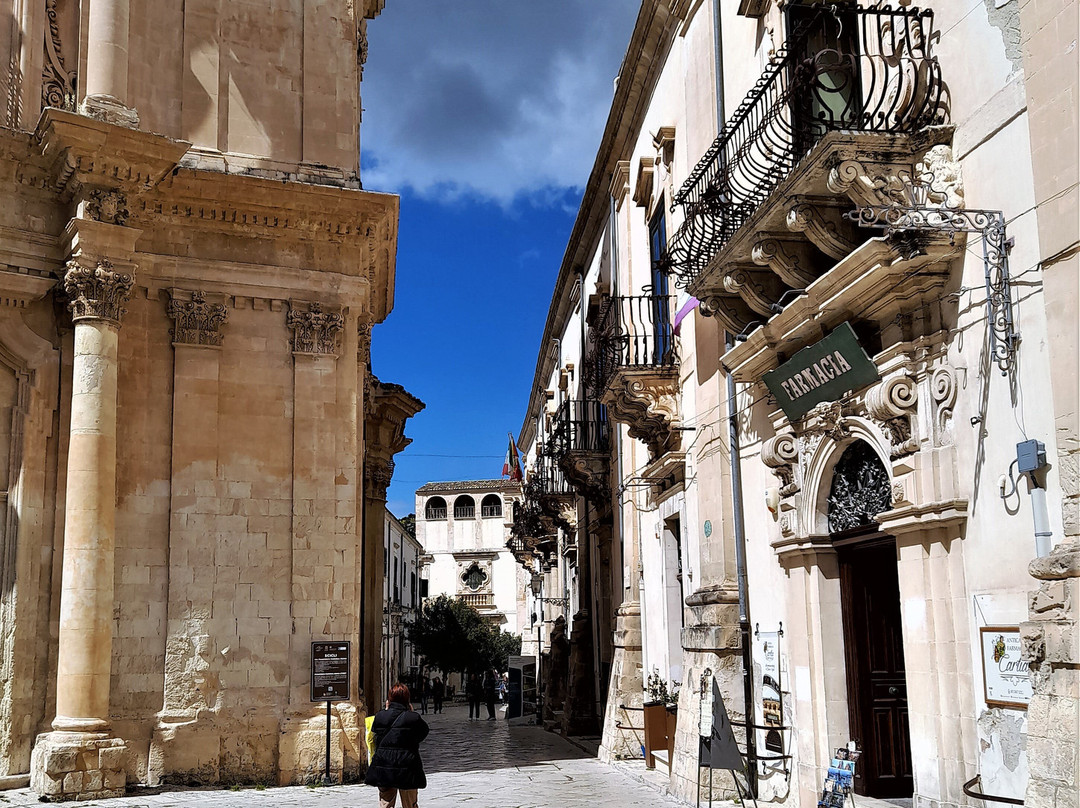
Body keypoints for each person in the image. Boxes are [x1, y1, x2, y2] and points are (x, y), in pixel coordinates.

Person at [365, 682, 429, 808]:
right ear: (407, 699)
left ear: (389, 698)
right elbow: (422, 734)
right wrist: (411, 712)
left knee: (385, 804)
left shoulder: (380, 716)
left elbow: (375, 735)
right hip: (407, 767)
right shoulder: (413, 718)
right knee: (410, 804)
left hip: (384, 766)